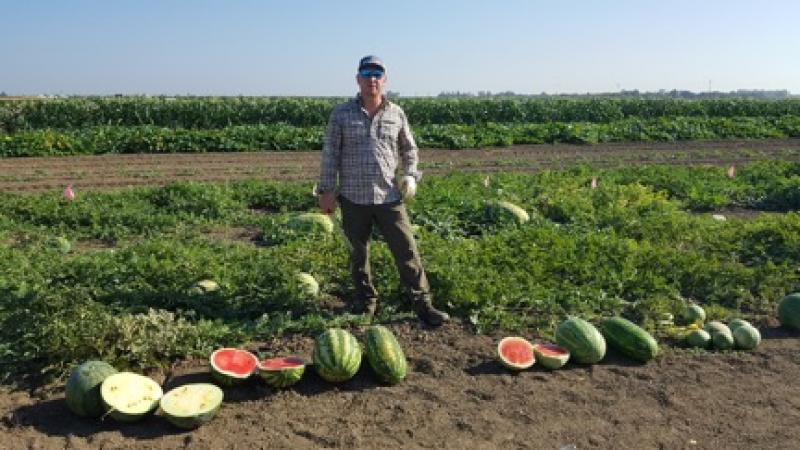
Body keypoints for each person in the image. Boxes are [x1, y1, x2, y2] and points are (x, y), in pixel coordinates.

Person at [316, 55, 449, 327]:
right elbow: (330, 154)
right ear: (358, 79)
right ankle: (366, 303)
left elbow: (409, 150)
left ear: (384, 80)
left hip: (389, 197)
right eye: (367, 74)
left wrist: (411, 176)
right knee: (358, 255)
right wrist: (326, 190)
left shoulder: (396, 113)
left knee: (407, 251)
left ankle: (423, 305)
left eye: (377, 74)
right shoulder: (341, 114)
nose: (372, 79)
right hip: (353, 198)